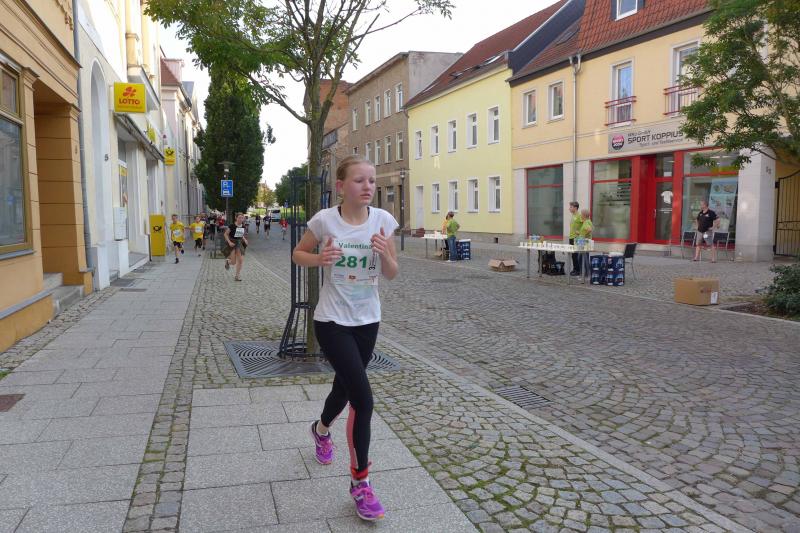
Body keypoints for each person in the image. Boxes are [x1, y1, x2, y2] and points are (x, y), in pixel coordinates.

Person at [292, 155, 398, 522]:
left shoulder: (382, 221)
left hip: (368, 321)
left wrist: (384, 255)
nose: (368, 186)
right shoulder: (325, 220)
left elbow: (392, 272)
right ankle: (360, 483)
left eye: (371, 180)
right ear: (341, 186)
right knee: (363, 399)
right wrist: (319, 258)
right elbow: (298, 254)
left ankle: (321, 430)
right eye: (359, 180)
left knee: (344, 387)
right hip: (332, 321)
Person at [224, 213, 249, 281]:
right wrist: (229, 242)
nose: (241, 219)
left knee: (240, 261)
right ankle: (228, 262)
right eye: (239, 217)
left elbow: (241, 235)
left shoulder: (243, 226)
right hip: (232, 243)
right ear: (236, 218)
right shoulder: (232, 226)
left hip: (239, 243)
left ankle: (237, 276)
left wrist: (245, 239)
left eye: (242, 218)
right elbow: (225, 234)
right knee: (233, 262)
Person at [568, 201, 584, 276]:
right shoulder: (573, 215)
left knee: (576, 255)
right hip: (571, 237)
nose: (569, 208)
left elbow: (585, 225)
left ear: (575, 208)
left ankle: (577, 270)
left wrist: (580, 232)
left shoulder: (579, 216)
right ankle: (575, 269)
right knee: (573, 255)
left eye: (571, 207)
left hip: (576, 238)